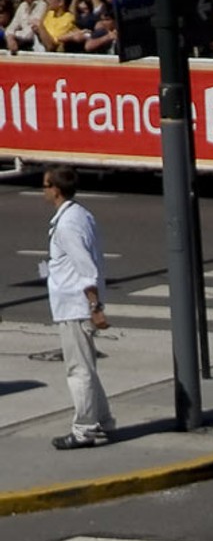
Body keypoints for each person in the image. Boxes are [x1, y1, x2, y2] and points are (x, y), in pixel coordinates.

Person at [42, 165, 116, 451]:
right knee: (87, 368)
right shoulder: (79, 214)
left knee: (79, 370)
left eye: (45, 186)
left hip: (75, 305)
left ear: (56, 190)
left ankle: (83, 430)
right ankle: (104, 421)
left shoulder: (68, 224)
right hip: (76, 304)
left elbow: (86, 267)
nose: (43, 191)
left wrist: (94, 305)